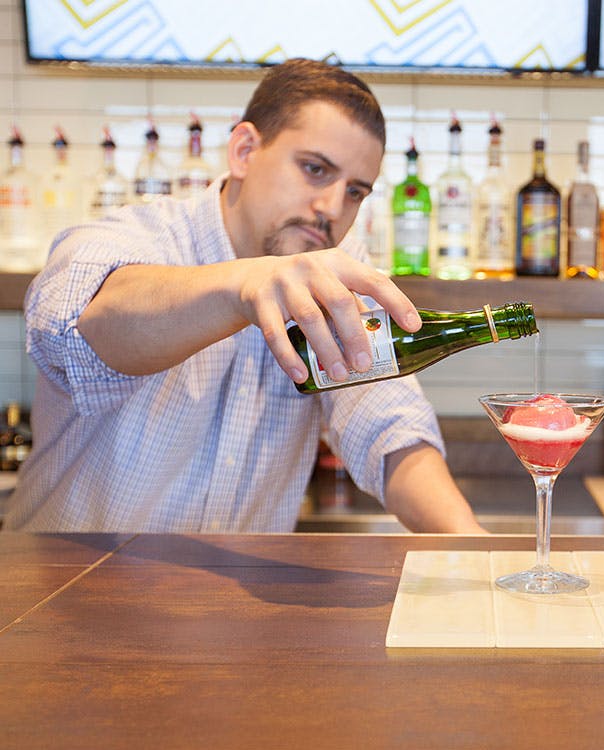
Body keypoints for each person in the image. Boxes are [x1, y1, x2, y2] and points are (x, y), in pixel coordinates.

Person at [7, 58, 483, 535]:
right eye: (315, 169)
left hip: (230, 608)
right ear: (244, 151)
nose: (332, 209)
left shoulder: (334, 266)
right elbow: (81, 334)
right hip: (67, 595)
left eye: (356, 192)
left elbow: (387, 423)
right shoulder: (138, 238)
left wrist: (473, 549)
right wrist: (241, 288)